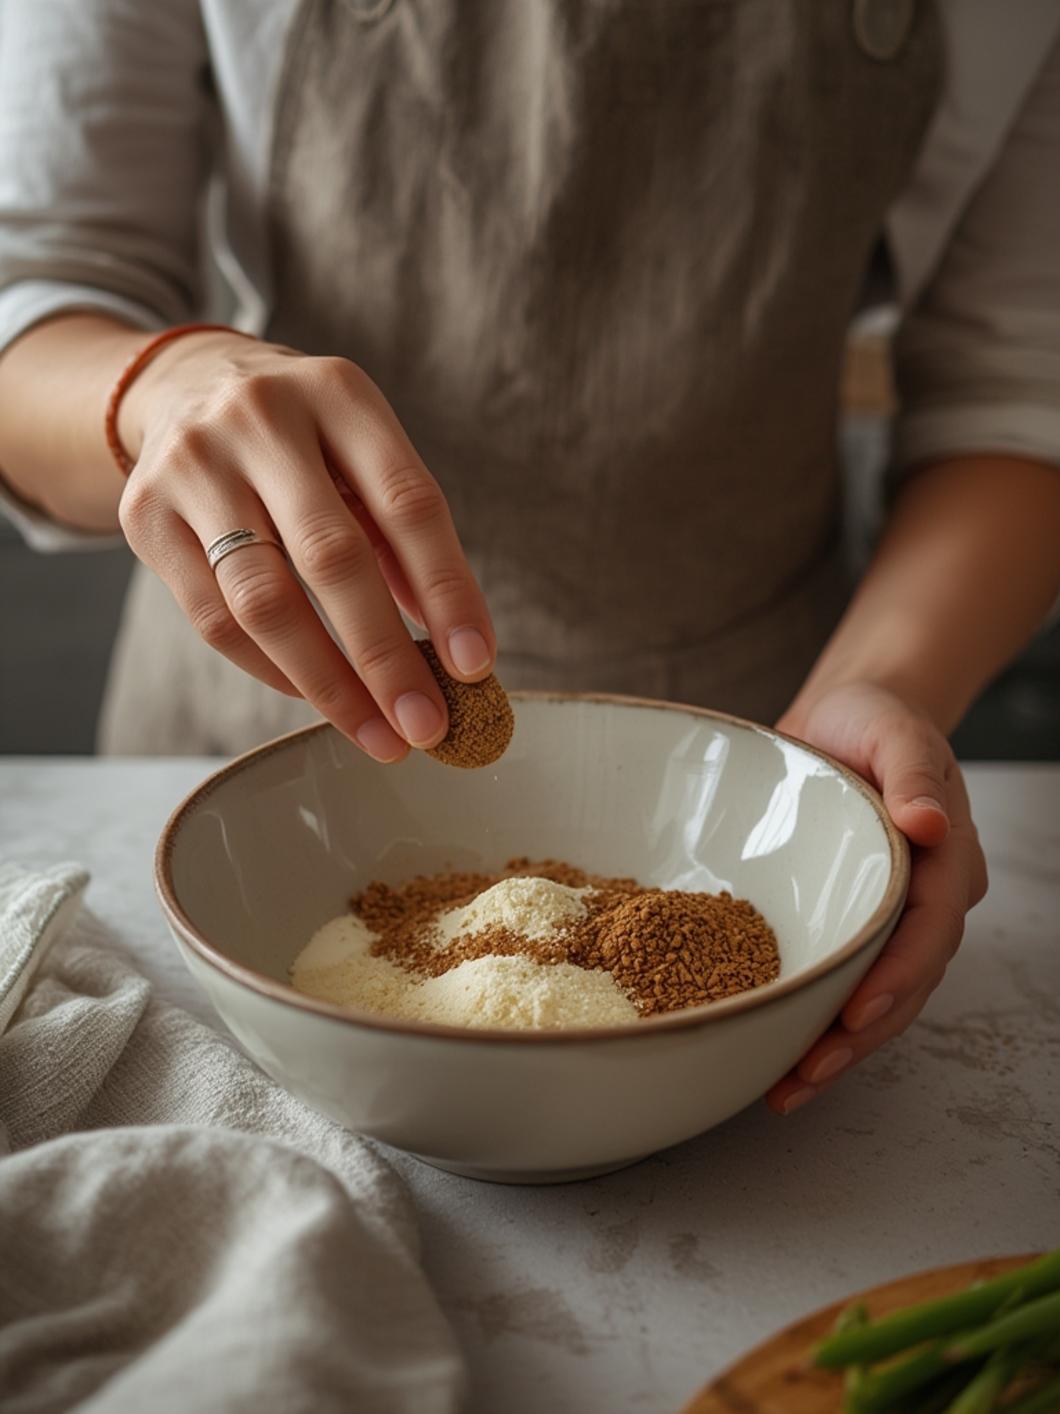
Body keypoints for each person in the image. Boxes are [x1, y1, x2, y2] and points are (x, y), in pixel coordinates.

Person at [0, 0, 1058, 1115]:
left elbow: (1018, 383)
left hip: (749, 779)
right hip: (261, 738)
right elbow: (34, 289)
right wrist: (169, 390)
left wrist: (884, 684)